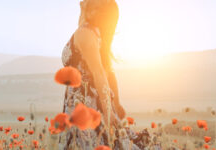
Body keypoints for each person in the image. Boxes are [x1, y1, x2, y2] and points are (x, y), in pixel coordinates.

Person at [61, 0, 151, 149]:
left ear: (94, 10)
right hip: (83, 99)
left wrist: (109, 113)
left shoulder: (85, 34)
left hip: (87, 102)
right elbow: (108, 71)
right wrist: (116, 103)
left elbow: (100, 74)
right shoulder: (90, 32)